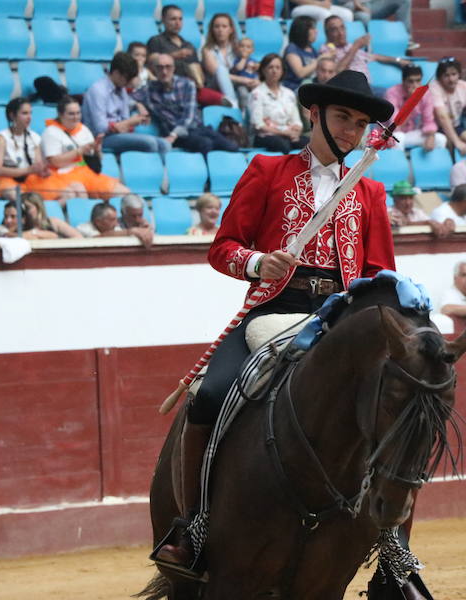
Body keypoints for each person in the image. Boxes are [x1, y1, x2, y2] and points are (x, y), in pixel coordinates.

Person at [152, 69, 397, 577]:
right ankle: (193, 527)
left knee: (396, 408)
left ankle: (394, 549)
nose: (351, 130)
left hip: (342, 319)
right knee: (209, 393)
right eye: (341, 117)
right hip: (275, 310)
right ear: (314, 114)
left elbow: (380, 272)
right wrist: (259, 263)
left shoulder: (369, 191)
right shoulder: (268, 170)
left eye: (359, 122)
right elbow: (222, 249)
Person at [133, 54, 241, 154]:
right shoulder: (148, 89)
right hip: (178, 136)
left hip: (194, 128)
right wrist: (139, 105)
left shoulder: (187, 84)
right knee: (205, 144)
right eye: (160, 67)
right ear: (154, 70)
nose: (164, 71)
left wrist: (174, 134)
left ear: (174, 68)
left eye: (168, 67)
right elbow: (129, 98)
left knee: (232, 147)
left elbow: (188, 116)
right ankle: (206, 174)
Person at [0, 98, 72, 201]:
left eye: (30, 113)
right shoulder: (2, 138)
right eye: (24, 113)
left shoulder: (34, 137)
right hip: (3, 181)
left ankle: (43, 214)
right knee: (16, 194)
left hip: (28, 181)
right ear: (12, 115)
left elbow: (37, 165)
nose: (29, 117)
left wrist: (42, 170)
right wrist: (27, 170)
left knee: (68, 191)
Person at [41, 96, 131, 201]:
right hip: (61, 175)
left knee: (125, 193)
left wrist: (97, 149)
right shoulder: (51, 132)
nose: (76, 117)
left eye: (78, 113)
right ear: (60, 115)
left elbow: (97, 159)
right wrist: (80, 151)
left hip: (85, 172)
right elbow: (54, 162)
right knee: (80, 192)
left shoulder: (83, 129)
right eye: (71, 114)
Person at [82, 52, 169, 156]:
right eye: (127, 78)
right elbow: (100, 128)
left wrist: (136, 120)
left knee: (164, 144)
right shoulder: (98, 90)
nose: (128, 82)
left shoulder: (121, 89)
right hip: (100, 139)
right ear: (116, 73)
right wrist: (128, 123)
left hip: (119, 134)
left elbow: (125, 117)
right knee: (150, 143)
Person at [322, 16, 410, 92]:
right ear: (327, 34)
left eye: (342, 27)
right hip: (350, 89)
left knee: (394, 93)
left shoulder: (350, 46)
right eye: (334, 29)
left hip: (368, 87)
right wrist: (356, 46)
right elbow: (338, 71)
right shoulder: (327, 49)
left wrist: (398, 60)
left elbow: (375, 57)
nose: (341, 33)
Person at [248, 54, 309, 154]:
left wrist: (296, 131)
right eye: (270, 67)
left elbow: (296, 121)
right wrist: (284, 133)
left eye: (278, 67)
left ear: (282, 71)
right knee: (283, 145)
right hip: (265, 136)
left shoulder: (289, 93)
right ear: (263, 70)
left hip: (287, 134)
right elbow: (258, 125)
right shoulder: (257, 94)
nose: (274, 71)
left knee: (308, 143)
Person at [429, 57, 466, 157]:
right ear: (439, 77)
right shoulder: (434, 87)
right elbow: (442, 117)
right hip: (436, 128)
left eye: (454, 74)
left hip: (456, 126)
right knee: (450, 143)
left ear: (459, 74)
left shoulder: (465, 87)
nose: (451, 79)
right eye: (446, 75)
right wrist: (457, 142)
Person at [385, 64, 445, 151]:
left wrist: (431, 136)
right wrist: (412, 100)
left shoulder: (426, 94)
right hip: (391, 134)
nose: (415, 85)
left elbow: (428, 121)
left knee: (440, 138)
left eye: (418, 81)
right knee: (398, 138)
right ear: (403, 81)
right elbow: (396, 125)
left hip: (413, 134)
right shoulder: (392, 93)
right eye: (411, 81)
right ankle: (399, 164)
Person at [147, 5, 205, 91]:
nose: (177, 23)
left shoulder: (188, 45)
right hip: (166, 86)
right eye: (173, 19)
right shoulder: (156, 40)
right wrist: (175, 55)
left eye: (180, 19)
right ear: (163, 20)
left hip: (190, 86)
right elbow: (152, 63)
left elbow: (197, 68)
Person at [201, 13, 245, 108]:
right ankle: (234, 106)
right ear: (212, 30)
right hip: (214, 87)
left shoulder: (237, 49)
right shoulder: (207, 49)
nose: (220, 30)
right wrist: (245, 80)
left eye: (224, 26)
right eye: (217, 27)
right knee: (221, 70)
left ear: (231, 30)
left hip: (236, 85)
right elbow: (216, 73)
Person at [77, 200, 155, 247]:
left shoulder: (116, 229)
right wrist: (130, 232)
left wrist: (142, 230)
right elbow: (96, 239)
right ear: (98, 222)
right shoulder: (83, 229)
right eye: (112, 220)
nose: (117, 223)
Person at [283, 16, 325, 91]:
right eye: (312, 28)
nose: (316, 31)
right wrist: (320, 59)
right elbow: (300, 73)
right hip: (294, 89)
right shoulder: (292, 48)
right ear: (303, 30)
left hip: (310, 87)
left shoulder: (312, 49)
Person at [230, 37, 260, 110]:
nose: (244, 49)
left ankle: (256, 108)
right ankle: (243, 110)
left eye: (248, 47)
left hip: (252, 83)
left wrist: (257, 66)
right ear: (238, 49)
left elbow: (259, 70)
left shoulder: (253, 60)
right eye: (242, 46)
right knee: (243, 94)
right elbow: (239, 68)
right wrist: (244, 59)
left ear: (252, 50)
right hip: (240, 84)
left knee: (258, 93)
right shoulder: (237, 60)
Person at [289, 0, 353, 22]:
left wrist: (327, 2)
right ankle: (326, 46)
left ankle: (344, 46)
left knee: (347, 14)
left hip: (321, 6)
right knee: (324, 14)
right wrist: (319, 4)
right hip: (299, 7)